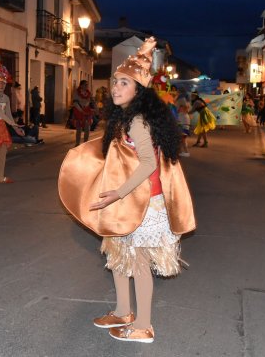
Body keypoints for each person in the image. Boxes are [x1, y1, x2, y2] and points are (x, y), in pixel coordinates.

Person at [60, 37, 195, 343]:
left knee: (139, 265)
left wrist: (117, 193)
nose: (116, 88)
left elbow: (148, 164)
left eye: (123, 83)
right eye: (115, 82)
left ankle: (144, 326)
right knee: (118, 256)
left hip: (144, 204)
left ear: (139, 91)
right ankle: (123, 311)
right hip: (130, 201)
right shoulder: (126, 117)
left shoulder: (137, 121)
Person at [73, 80, 94, 146]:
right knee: (79, 129)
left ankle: (85, 143)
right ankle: (77, 143)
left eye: (87, 85)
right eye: (85, 84)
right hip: (79, 112)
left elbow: (91, 101)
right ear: (81, 85)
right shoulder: (77, 92)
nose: (86, 86)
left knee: (87, 128)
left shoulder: (89, 93)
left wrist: (95, 108)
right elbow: (75, 103)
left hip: (87, 112)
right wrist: (81, 110)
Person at [174, 87, 191, 157]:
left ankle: (185, 152)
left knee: (182, 138)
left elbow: (185, 109)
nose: (176, 92)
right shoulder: (183, 99)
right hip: (183, 118)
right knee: (182, 138)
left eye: (177, 91)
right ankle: (183, 152)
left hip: (182, 119)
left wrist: (179, 109)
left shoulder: (181, 99)